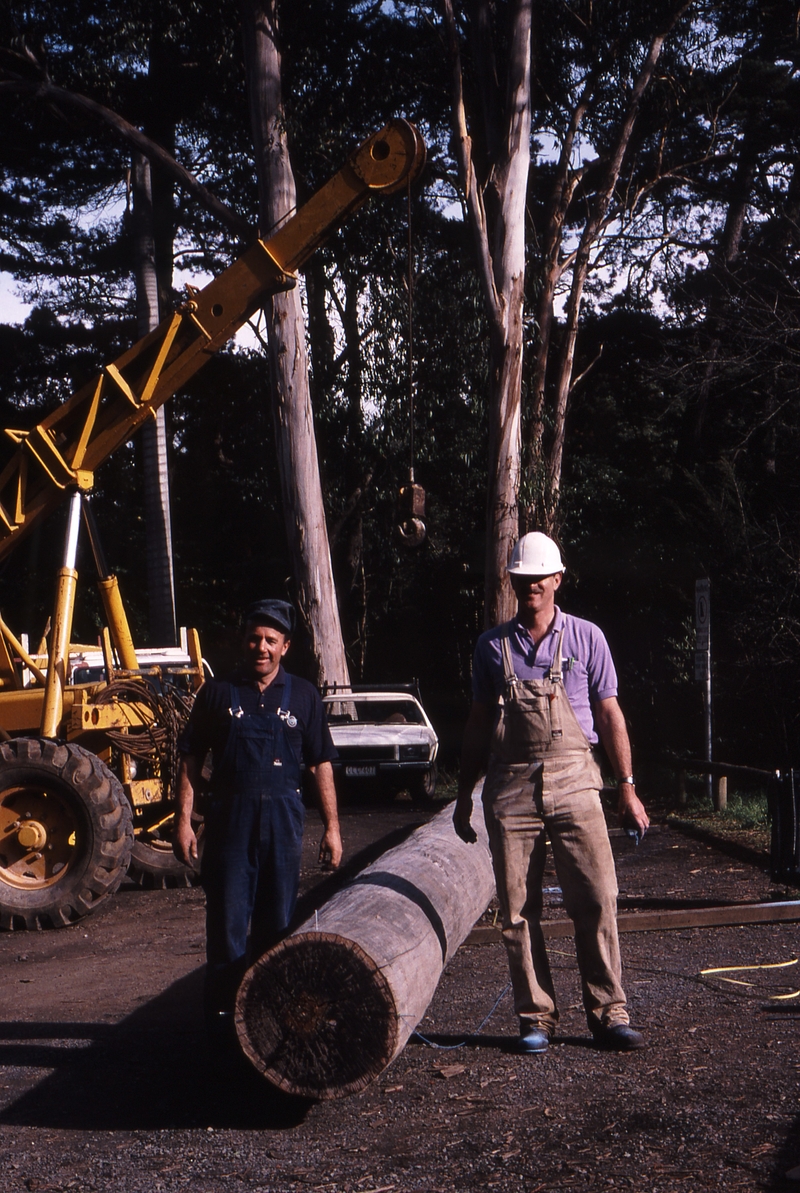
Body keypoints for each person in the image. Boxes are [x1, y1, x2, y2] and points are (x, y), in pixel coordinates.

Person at [453, 533, 649, 1054]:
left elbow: (610, 715)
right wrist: (461, 795)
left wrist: (626, 787)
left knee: (598, 897)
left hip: (576, 778)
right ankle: (535, 1016)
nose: (532, 584)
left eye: (540, 576)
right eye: (523, 578)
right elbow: (476, 723)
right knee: (517, 908)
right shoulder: (491, 646)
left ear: (558, 579)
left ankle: (609, 1013)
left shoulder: (587, 638)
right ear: (513, 582)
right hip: (511, 783)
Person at [174, 599, 342, 1036]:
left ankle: (272, 1024)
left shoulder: (304, 695)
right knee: (228, 927)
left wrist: (333, 828)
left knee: (278, 923)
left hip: (283, 822)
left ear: (285, 646)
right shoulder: (217, 692)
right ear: (242, 641)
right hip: (230, 822)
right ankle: (221, 1028)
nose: (261, 647)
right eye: (254, 638)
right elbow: (191, 758)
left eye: (271, 640)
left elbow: (321, 763)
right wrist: (184, 821)